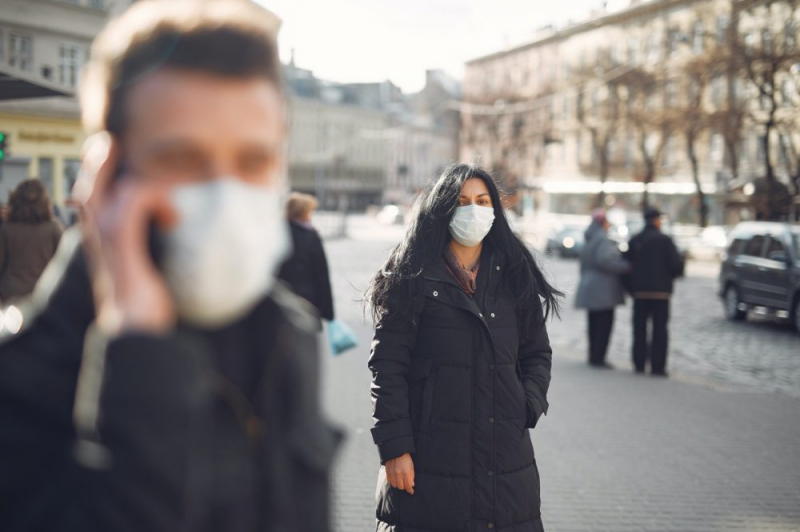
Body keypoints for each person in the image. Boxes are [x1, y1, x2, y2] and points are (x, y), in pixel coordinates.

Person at [0, 2, 340, 531]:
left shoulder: (287, 336)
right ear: (108, 175)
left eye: (252, 161)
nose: (224, 194)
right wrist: (138, 353)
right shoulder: (18, 381)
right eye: (183, 160)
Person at [366, 163, 561, 532]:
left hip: (506, 460)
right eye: (462, 201)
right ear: (442, 210)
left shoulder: (515, 274)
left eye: (482, 200)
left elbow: (537, 352)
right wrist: (394, 448)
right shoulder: (410, 277)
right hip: (430, 456)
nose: (473, 209)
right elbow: (387, 367)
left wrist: (528, 403)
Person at [625, 207, 684, 377]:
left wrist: (632, 288)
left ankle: (639, 364)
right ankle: (657, 367)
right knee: (660, 330)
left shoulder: (635, 239)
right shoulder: (665, 240)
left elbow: (626, 267)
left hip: (639, 293)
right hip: (661, 293)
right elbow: (676, 267)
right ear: (657, 220)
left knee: (639, 329)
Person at [574, 209, 629, 369]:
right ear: (603, 223)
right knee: (604, 325)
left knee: (593, 323)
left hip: (589, 286)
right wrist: (625, 266)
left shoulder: (589, 238)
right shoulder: (602, 239)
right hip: (603, 290)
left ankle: (593, 355)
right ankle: (598, 357)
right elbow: (604, 261)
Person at [0, 179, 64, 303]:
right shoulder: (54, 228)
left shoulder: (7, 229)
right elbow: (64, 264)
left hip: (12, 295)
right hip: (45, 294)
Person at [278, 192, 335, 325]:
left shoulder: (275, 233)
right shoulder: (310, 236)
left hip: (279, 300)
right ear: (303, 213)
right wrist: (328, 313)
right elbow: (321, 275)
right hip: (307, 302)